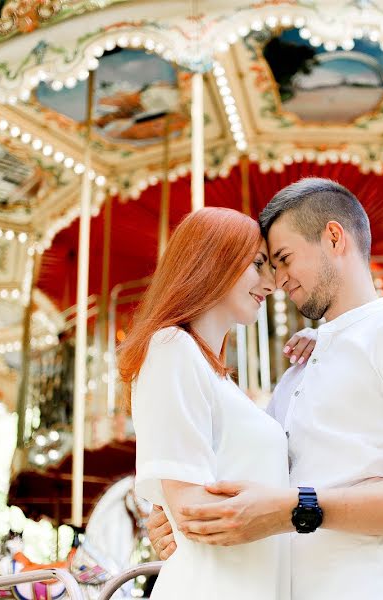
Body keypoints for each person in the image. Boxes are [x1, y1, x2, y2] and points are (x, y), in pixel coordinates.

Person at [145, 178, 383, 599]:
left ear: (334, 238)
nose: (277, 280)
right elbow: (250, 478)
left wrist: (297, 508)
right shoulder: (296, 375)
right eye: (267, 265)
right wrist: (181, 516)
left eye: (283, 259)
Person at [120, 206, 295, 599]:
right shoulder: (171, 347)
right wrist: (306, 510)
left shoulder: (217, 378)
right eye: (257, 264)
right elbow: (194, 512)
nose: (272, 282)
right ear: (214, 261)